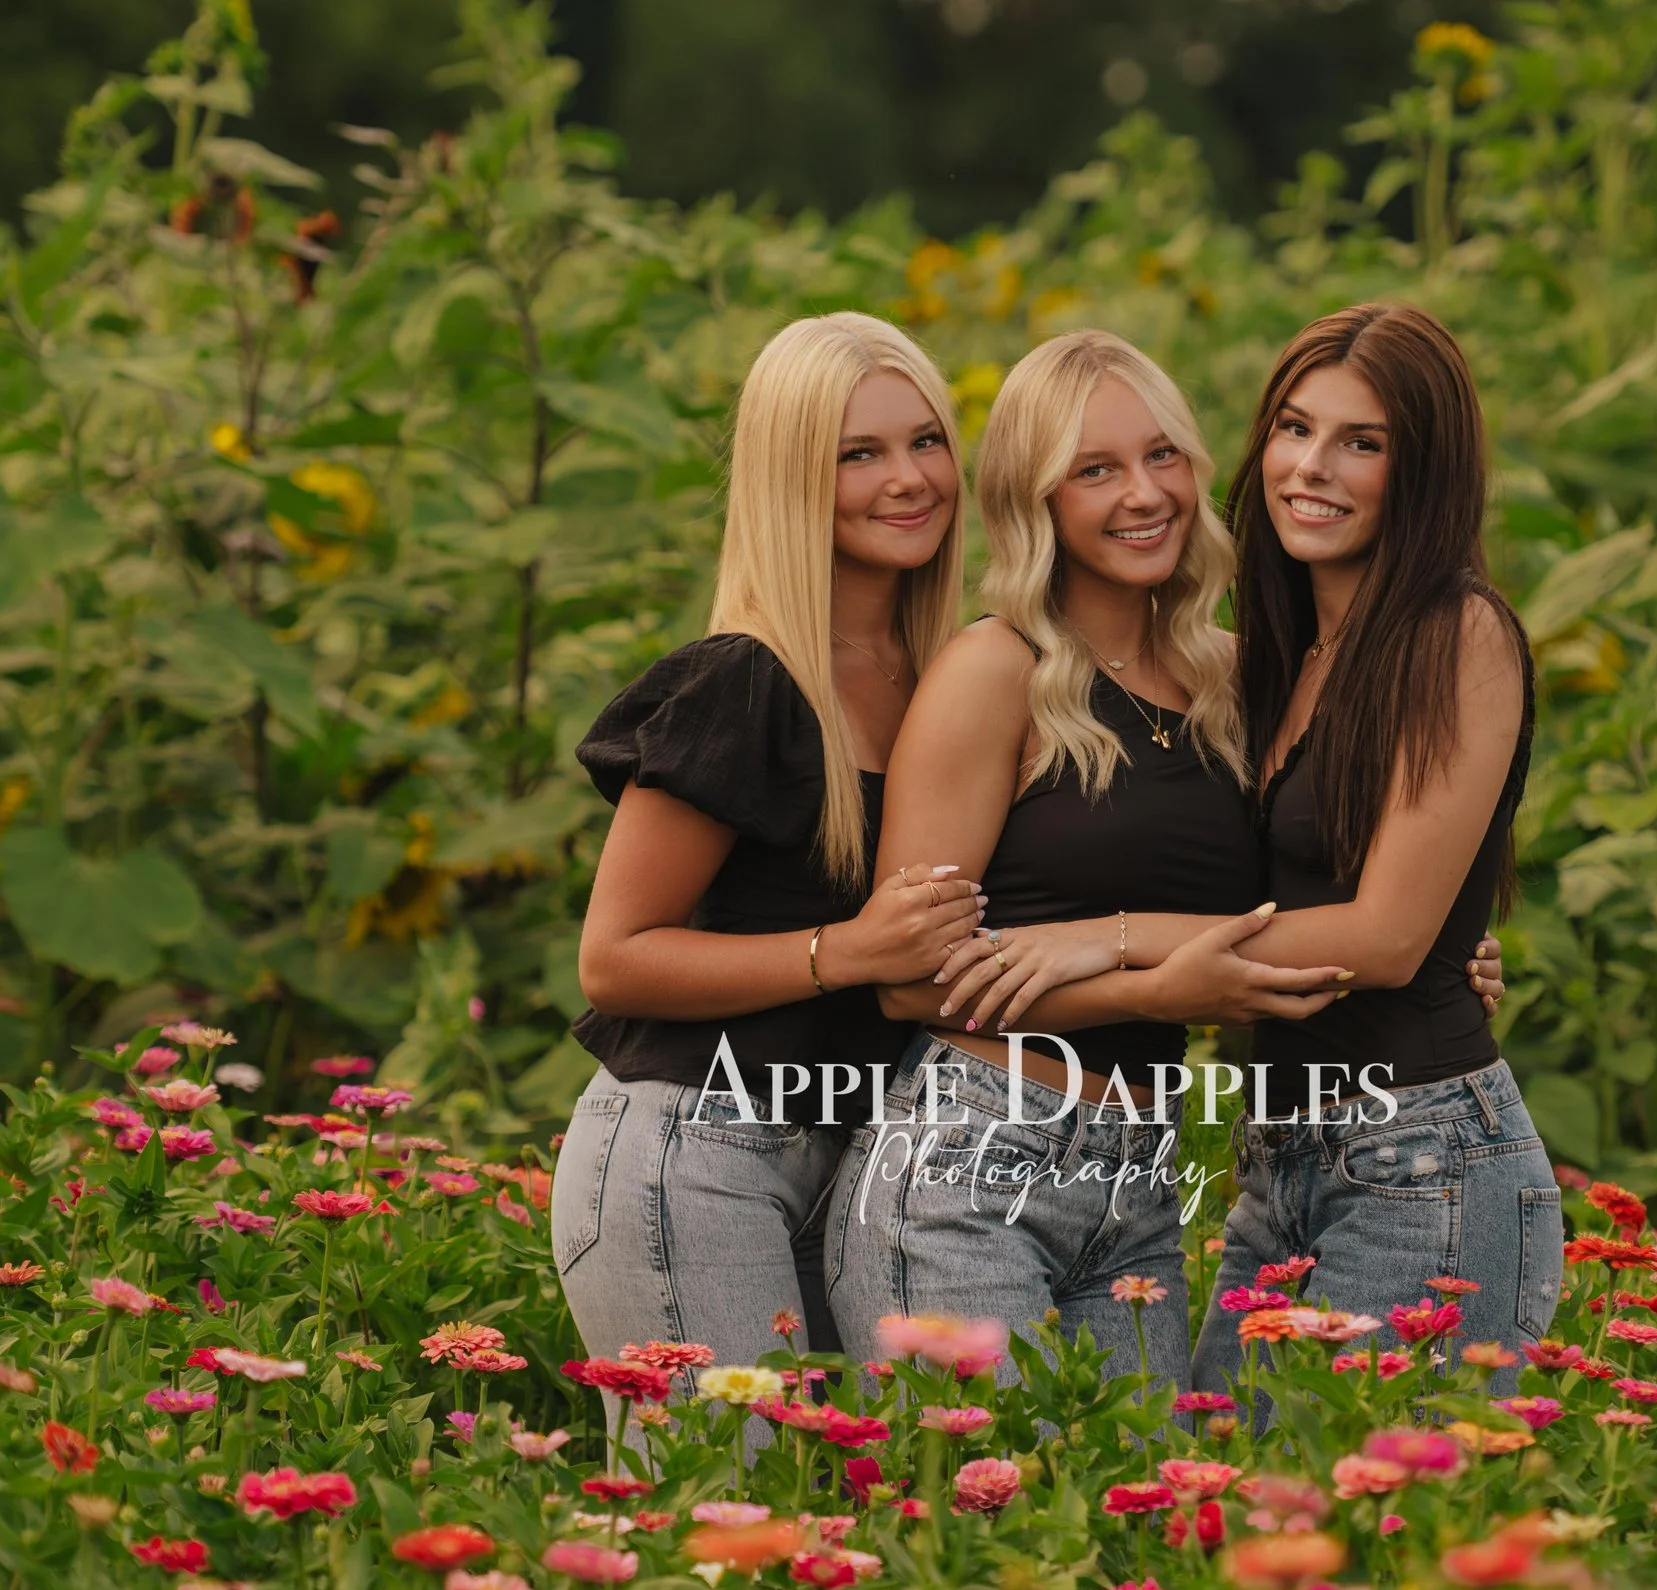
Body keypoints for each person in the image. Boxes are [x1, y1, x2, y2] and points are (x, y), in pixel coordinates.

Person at [915, 304, 1548, 1394]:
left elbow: (1387, 939)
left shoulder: (1456, 631)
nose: (1312, 467)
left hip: (1421, 1157)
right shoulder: (1272, 663)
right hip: (1287, 1163)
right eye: (1295, 429)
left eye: (1364, 442)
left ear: (1426, 468)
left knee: (1345, 1536)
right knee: (1214, 1511)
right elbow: (1305, 892)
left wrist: (1102, 941)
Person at [822, 329, 1331, 1384]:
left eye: (1162, 456)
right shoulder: (992, 669)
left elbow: (1293, 924)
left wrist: (1435, 952)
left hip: (1139, 1185)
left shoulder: (1238, 682)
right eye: (1093, 470)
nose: (1143, 494)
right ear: (1034, 500)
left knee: (1128, 1534)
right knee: (989, 1519)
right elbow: (907, 978)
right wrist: (1159, 990)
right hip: (965, 1168)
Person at [549, 313, 985, 1399]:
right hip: (696, 1155)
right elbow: (614, 957)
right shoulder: (744, 681)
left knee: (835, 1519)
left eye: (926, 441)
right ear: (792, 476)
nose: (908, 478)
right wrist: (845, 950)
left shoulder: (951, 677)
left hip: (853, 1164)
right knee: (726, 1512)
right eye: (858, 453)